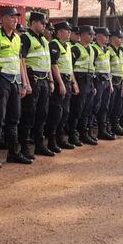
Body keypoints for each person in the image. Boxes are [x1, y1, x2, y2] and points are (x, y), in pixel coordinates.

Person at [0, 7, 30, 168]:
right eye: (11, 17)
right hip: (1, 82)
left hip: (15, 83)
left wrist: (24, 83)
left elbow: (20, 62)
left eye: (17, 17)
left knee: (14, 119)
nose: (15, 20)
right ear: (3, 19)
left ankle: (13, 153)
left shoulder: (17, 38)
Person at [19, 12, 53, 157]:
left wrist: (51, 80)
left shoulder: (44, 40)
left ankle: (39, 145)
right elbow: (22, 61)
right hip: (33, 80)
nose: (44, 26)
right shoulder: (25, 38)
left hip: (44, 80)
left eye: (45, 23)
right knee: (29, 115)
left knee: (42, 114)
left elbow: (48, 62)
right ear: (33, 22)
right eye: (42, 23)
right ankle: (24, 148)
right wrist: (26, 83)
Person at [46, 22, 76, 151]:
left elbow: (70, 67)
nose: (69, 33)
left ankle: (61, 138)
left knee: (65, 112)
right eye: (66, 30)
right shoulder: (54, 44)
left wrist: (74, 83)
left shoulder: (68, 45)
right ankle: (52, 141)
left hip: (68, 80)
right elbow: (53, 65)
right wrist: (61, 83)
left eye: (70, 31)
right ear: (58, 32)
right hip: (60, 81)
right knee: (56, 113)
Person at [67, 26, 96, 146]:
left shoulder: (92, 49)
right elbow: (70, 68)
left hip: (89, 80)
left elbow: (92, 68)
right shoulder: (75, 49)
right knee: (77, 109)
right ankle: (72, 135)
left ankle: (84, 133)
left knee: (87, 109)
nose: (92, 36)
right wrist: (74, 83)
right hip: (79, 80)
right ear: (82, 35)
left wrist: (93, 85)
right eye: (89, 34)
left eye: (92, 34)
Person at [90, 27, 115, 140]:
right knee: (95, 107)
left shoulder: (106, 50)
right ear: (98, 36)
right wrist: (94, 84)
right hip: (98, 82)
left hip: (106, 81)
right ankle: (88, 131)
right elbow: (91, 67)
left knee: (104, 107)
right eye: (106, 36)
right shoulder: (93, 49)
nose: (108, 38)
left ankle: (102, 130)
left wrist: (110, 83)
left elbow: (108, 67)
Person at [106, 30, 123, 136]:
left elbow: (121, 67)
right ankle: (108, 127)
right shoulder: (108, 51)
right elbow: (107, 68)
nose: (122, 40)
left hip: (119, 81)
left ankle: (115, 125)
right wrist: (110, 83)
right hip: (112, 81)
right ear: (113, 38)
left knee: (118, 105)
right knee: (109, 106)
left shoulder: (121, 51)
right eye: (120, 38)